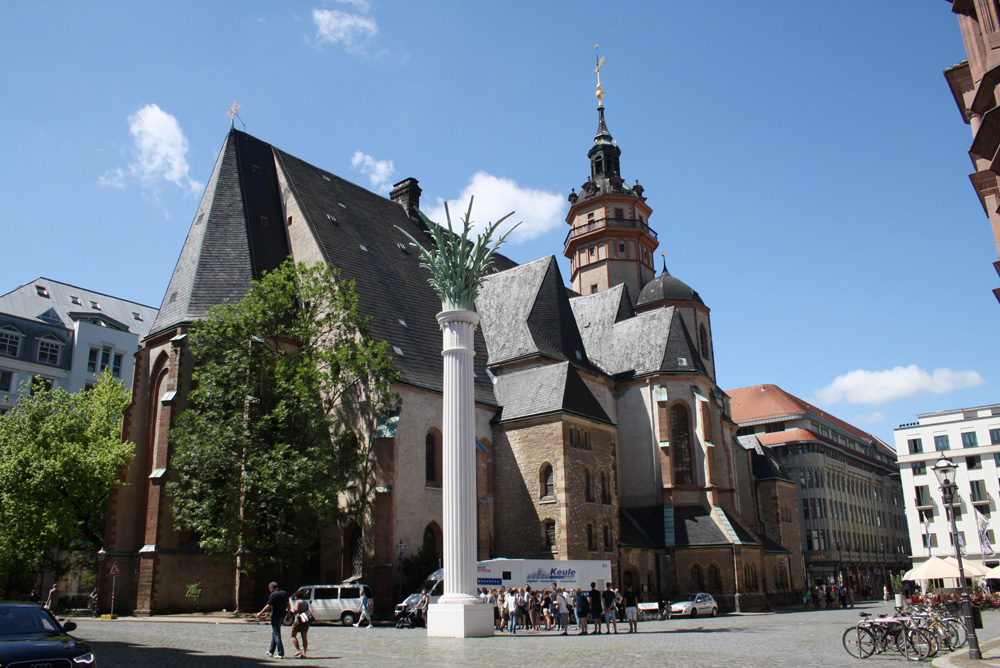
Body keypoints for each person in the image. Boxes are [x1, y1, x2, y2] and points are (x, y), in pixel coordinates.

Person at [257, 581, 290, 659]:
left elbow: (268, 606)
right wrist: (288, 614)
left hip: (275, 615)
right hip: (282, 615)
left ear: (271, 588)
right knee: (275, 633)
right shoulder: (284, 593)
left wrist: (260, 613)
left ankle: (280, 653)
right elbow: (288, 604)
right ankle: (271, 651)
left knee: (277, 634)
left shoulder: (273, 594)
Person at [289, 590, 311, 659]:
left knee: (293, 635)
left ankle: (298, 650)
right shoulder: (305, 602)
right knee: (304, 637)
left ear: (296, 597)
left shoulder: (297, 602)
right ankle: (304, 653)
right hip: (305, 621)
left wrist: (290, 616)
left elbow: (296, 610)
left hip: (298, 620)